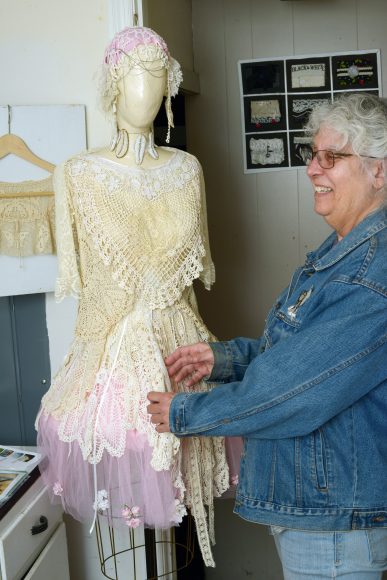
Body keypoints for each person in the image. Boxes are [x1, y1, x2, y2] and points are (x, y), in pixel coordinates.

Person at [147, 92, 387, 579]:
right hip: (324, 513)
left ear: (379, 170)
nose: (313, 170)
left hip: (334, 526)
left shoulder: (370, 272)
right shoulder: (343, 250)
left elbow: (292, 392)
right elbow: (311, 359)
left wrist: (185, 413)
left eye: (331, 157)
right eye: (311, 154)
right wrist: (226, 360)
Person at [35, 26, 231, 567]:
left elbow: (193, 285)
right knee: (130, 518)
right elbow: (86, 290)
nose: (146, 89)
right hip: (110, 369)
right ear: (114, 84)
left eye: (156, 75)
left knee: (183, 510)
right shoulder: (79, 174)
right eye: (134, 74)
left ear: (170, 85)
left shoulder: (187, 170)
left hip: (182, 355)